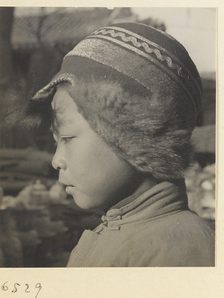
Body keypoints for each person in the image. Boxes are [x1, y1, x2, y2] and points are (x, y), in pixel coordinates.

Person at [22, 22, 215, 267]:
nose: (55, 160)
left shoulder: (179, 251)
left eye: (68, 139)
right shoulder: (116, 232)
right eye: (56, 142)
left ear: (134, 136)